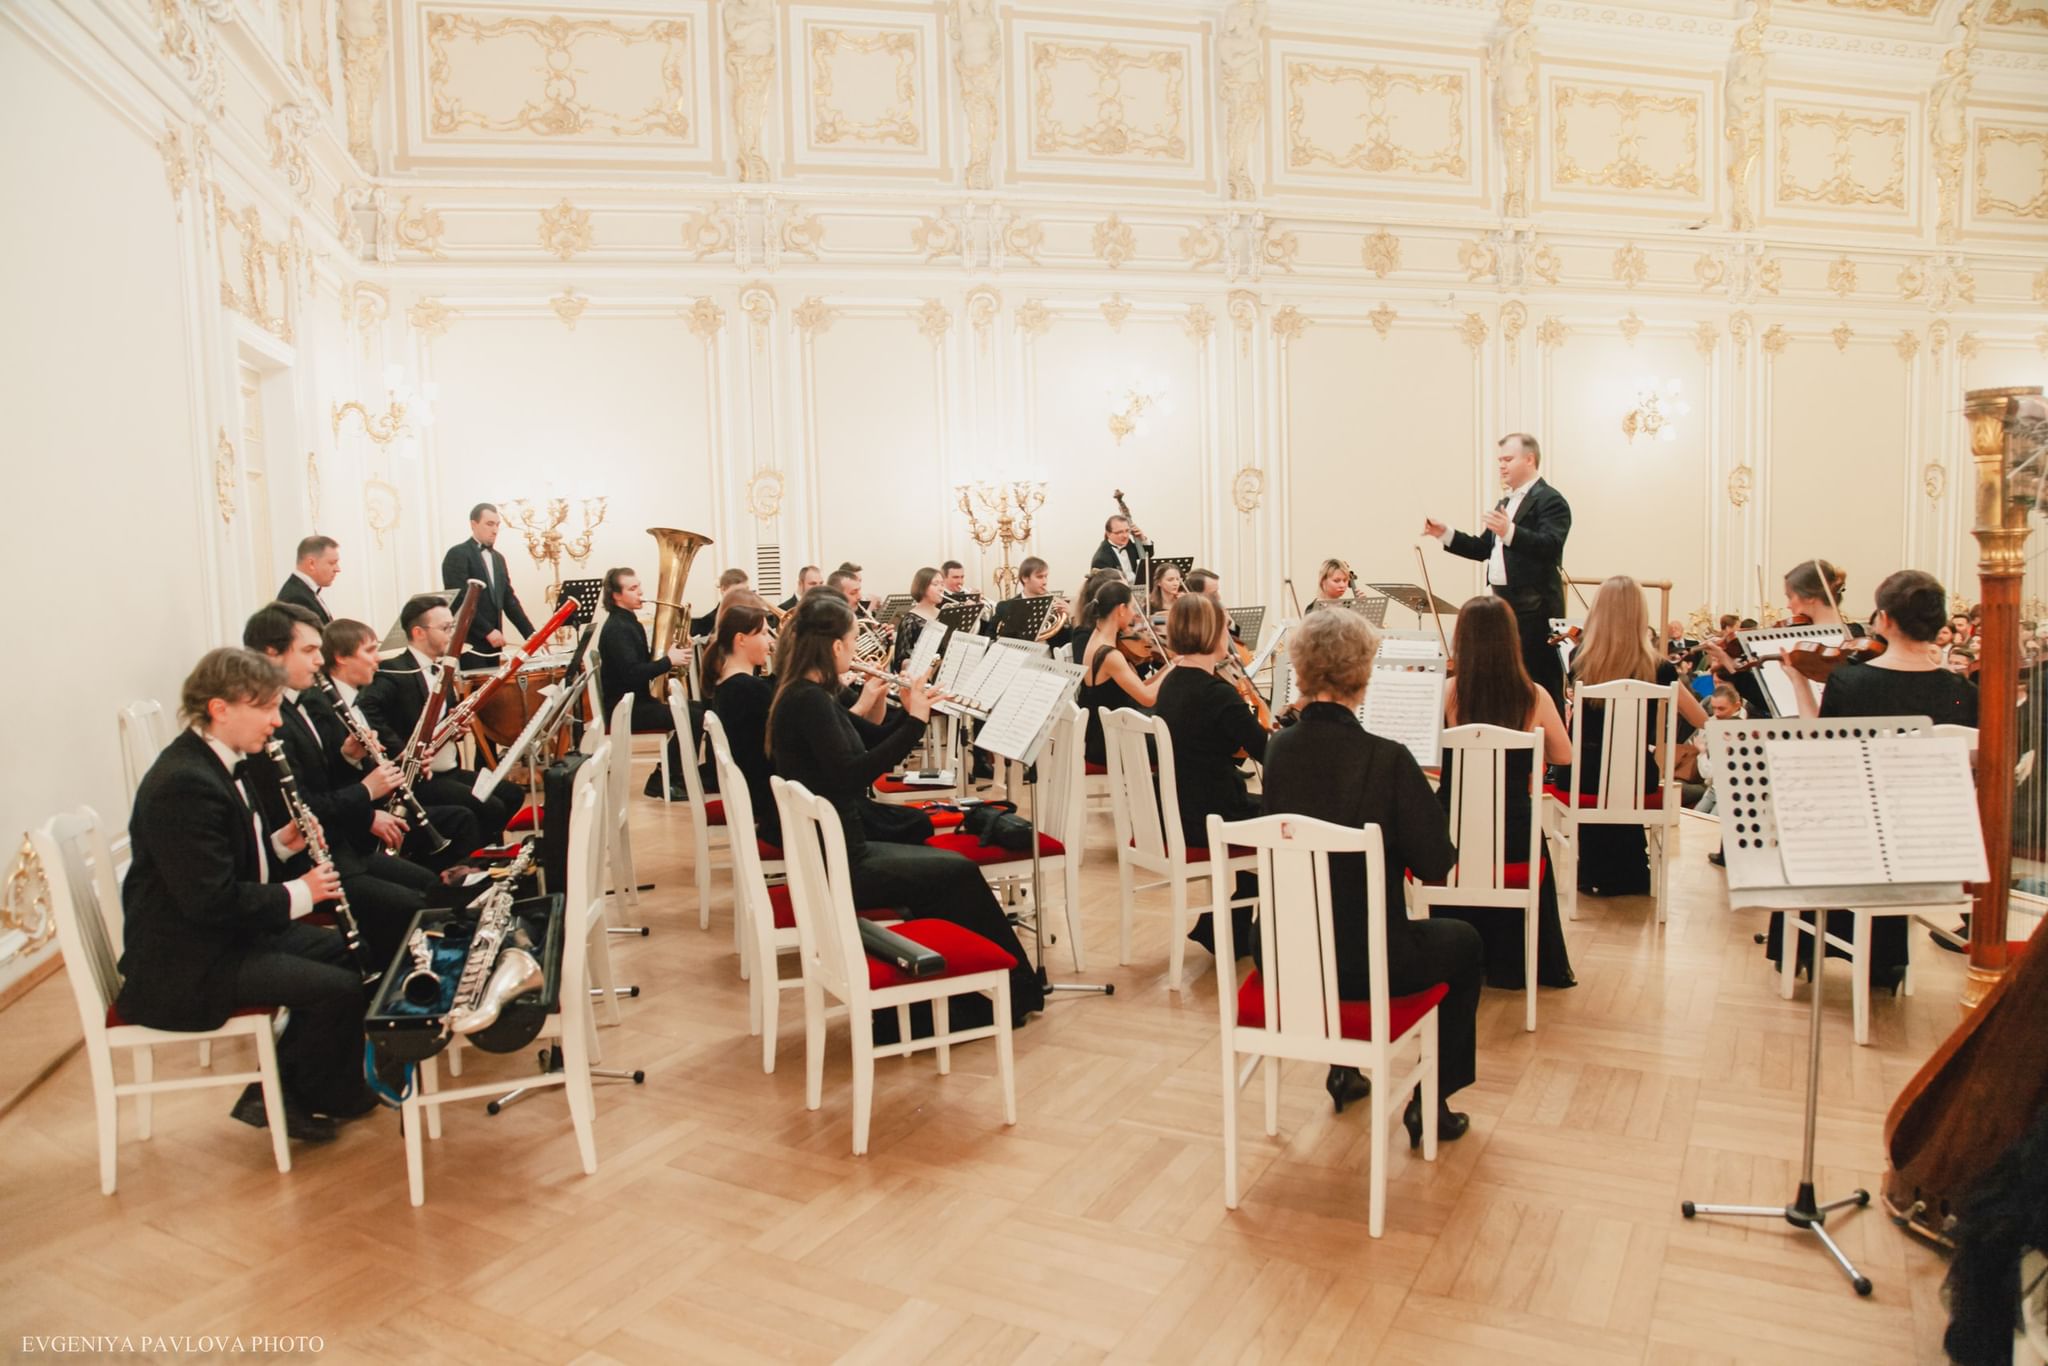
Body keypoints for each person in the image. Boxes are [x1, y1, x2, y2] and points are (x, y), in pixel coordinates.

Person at [117, 648, 369, 1142]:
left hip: (223, 938)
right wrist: (302, 891)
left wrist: (281, 844)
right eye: (267, 709)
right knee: (336, 988)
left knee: (350, 957)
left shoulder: (217, 761)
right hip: (189, 962)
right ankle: (290, 1096)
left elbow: (230, 867)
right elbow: (209, 902)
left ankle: (296, 1089)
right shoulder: (183, 784)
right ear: (221, 708)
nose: (277, 722)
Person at [767, 593, 1044, 1030]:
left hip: (840, 848)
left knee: (943, 868)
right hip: (843, 860)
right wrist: (915, 721)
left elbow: (866, 743)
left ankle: (973, 991)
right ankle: (1000, 996)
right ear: (836, 647)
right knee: (957, 872)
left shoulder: (805, 695)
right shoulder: (808, 702)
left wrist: (908, 706)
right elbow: (854, 774)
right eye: (853, 640)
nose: (857, 651)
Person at [1259, 610, 1477, 1139]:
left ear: (1302, 670)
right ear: (1364, 671)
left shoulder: (1278, 751)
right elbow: (1434, 865)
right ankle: (1433, 1101)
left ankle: (1344, 1070)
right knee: (1464, 942)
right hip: (1369, 963)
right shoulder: (1389, 758)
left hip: (1286, 956)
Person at [1773, 570, 1978, 977]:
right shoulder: (1964, 692)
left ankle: (1800, 948)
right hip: (1930, 842)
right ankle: (1885, 960)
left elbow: (1820, 750)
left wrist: (1797, 681)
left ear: (1883, 619)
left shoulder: (1852, 681)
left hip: (1860, 840)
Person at [242, 602, 441, 967]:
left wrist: (349, 758)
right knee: (409, 906)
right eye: (308, 651)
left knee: (427, 885)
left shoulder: (299, 704)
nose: (319, 661)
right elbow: (298, 804)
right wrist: (367, 792)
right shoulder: (267, 722)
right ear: (271, 654)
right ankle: (391, 994)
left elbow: (322, 779)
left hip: (341, 846)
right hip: (309, 863)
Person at [1433, 596, 1576, 990]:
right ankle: (1515, 961)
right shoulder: (1534, 695)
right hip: (1512, 835)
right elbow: (1563, 756)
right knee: (1530, 830)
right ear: (1511, 640)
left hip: (1455, 835)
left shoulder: (1446, 692)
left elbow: (1426, 759)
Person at [1563, 576, 1707, 897]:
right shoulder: (1660, 668)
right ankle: (1629, 873)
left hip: (1583, 776)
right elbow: (1700, 718)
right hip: (1636, 776)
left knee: (1594, 772)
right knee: (1626, 777)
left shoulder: (1579, 659)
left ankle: (1592, 871)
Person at [1152, 594, 1267, 957]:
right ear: (1213, 634)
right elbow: (1267, 751)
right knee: (1285, 819)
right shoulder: (1218, 693)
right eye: (1225, 626)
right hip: (1210, 815)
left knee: (1265, 811)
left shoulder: (1172, 683)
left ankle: (1226, 930)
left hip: (1179, 809)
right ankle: (1236, 929)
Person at [1423, 433, 1572, 711]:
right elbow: (1484, 548)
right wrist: (1446, 534)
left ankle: (1549, 746)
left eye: (1508, 459)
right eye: (1499, 460)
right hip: (1503, 603)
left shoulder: (1551, 501)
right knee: (1506, 679)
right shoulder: (1504, 503)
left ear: (1529, 459)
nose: (1501, 466)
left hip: (1535, 609)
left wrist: (1510, 531)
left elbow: (1550, 546)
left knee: (1538, 679)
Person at [320, 617, 482, 870]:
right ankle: (447, 889)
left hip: (381, 798)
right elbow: (332, 780)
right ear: (341, 657)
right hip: (360, 819)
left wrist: (404, 763)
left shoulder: (353, 699)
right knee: (463, 820)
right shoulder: (326, 708)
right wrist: (369, 812)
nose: (378, 658)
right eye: (370, 650)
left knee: (464, 816)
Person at [359, 594, 521, 843]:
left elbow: (447, 715)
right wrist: (402, 751)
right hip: (420, 778)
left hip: (449, 768)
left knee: (511, 794)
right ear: (419, 632)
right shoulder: (395, 670)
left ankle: (483, 854)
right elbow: (366, 709)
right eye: (446, 628)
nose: (452, 634)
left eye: (452, 627)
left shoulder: (443, 668)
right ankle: (471, 861)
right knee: (490, 807)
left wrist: (456, 725)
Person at [1704, 559, 1857, 718]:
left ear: (1810, 597)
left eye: (1791, 597)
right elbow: (1770, 700)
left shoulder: (1850, 641)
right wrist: (1726, 660)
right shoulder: (1797, 642)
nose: (1788, 605)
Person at [596, 567, 691, 799]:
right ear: (616, 595)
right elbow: (632, 674)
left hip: (637, 703)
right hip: (626, 710)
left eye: (638, 586)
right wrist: (669, 661)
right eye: (633, 588)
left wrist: (671, 652)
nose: (641, 592)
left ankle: (672, 776)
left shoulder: (629, 623)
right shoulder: (618, 629)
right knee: (692, 716)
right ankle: (663, 780)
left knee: (696, 710)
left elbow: (643, 663)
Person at [1078, 580, 1175, 765]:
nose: (1133, 614)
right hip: (1111, 743)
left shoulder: (1097, 638)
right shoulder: (1109, 653)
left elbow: (1140, 687)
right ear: (1121, 609)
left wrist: (1168, 667)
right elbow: (1147, 698)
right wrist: (1175, 668)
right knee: (1182, 742)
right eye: (1131, 608)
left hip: (1109, 733)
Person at [704, 602, 777, 842]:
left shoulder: (732, 684)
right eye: (764, 633)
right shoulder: (747, 689)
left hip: (755, 791)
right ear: (741, 639)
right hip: (767, 802)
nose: (770, 641)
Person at [441, 503, 535, 668]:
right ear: (473, 524)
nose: (495, 530)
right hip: (469, 644)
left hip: (494, 645)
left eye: (497, 525)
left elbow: (509, 600)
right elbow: (460, 600)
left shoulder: (498, 558)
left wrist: (533, 636)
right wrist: (487, 631)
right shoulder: (457, 554)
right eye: (489, 524)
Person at [990, 556, 1071, 645]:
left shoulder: (1054, 606)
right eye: (1040, 577)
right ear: (1025, 578)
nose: (1045, 582)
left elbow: (1066, 641)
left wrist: (1069, 618)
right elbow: (990, 637)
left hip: (1048, 656)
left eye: (1046, 576)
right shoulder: (1005, 606)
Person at [891, 566, 945, 673]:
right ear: (922, 587)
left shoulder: (945, 614)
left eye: (942, 584)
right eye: (935, 584)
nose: (941, 588)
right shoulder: (910, 620)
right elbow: (899, 662)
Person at [276, 535, 339, 624]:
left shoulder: (304, 591)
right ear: (311, 564)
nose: (338, 569)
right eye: (332, 563)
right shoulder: (297, 597)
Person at [1090, 513, 1152, 582]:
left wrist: (1142, 538)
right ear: (1108, 534)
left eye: (1127, 531)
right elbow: (1106, 588)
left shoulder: (1128, 543)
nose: (1125, 536)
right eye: (1119, 532)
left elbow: (1147, 555)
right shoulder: (1101, 559)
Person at [691, 568, 751, 636]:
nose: (743, 595)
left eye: (746, 591)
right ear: (723, 590)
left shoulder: (753, 617)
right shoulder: (708, 622)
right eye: (737, 591)